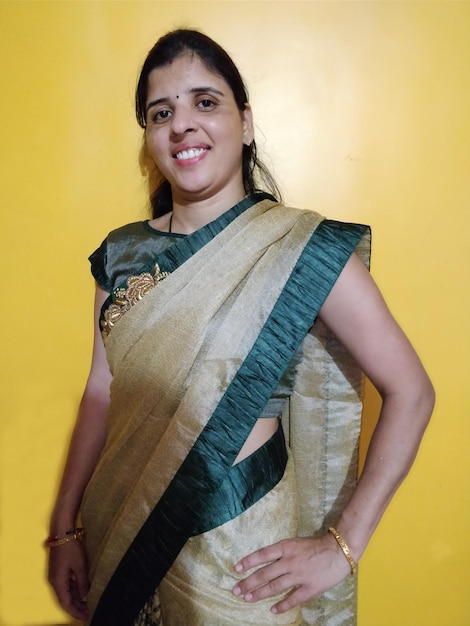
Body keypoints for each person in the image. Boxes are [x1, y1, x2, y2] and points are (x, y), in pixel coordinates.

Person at [46, 29, 434, 626]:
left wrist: (343, 545)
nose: (182, 125)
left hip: (241, 548)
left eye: (206, 102)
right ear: (149, 137)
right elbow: (102, 393)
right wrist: (65, 526)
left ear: (245, 122)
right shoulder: (121, 256)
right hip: (120, 523)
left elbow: (412, 392)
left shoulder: (300, 248)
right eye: (161, 112)